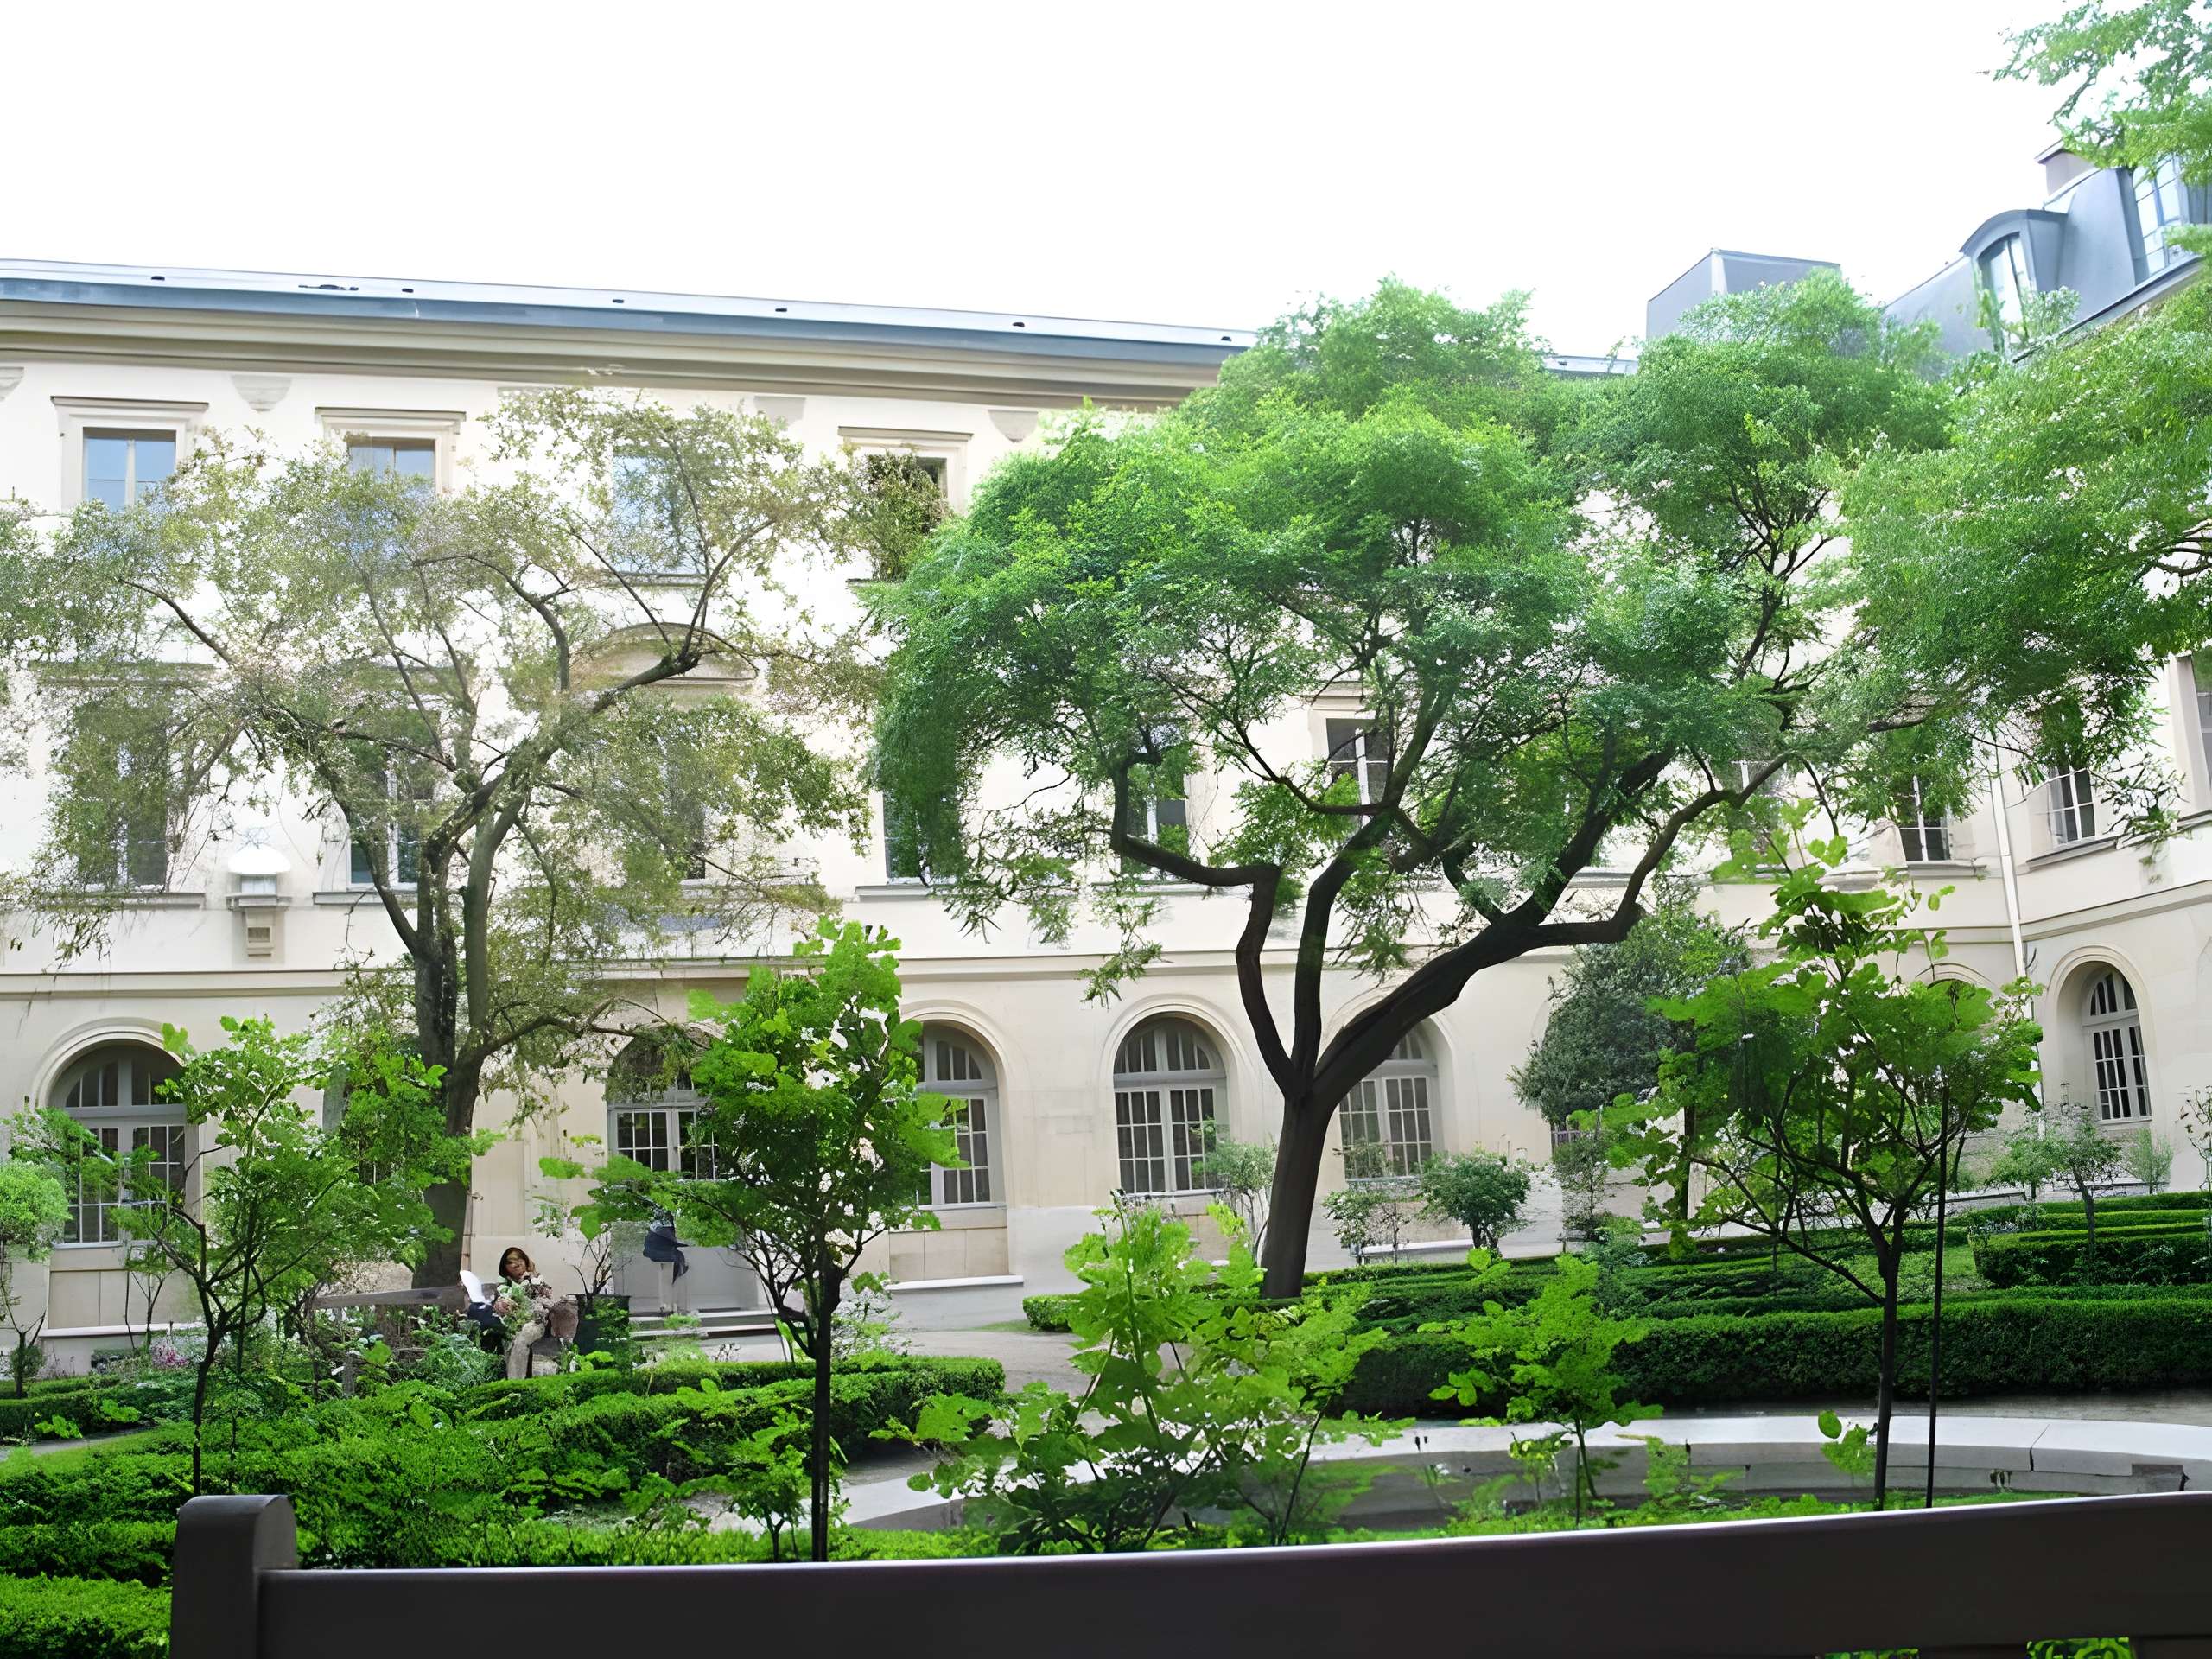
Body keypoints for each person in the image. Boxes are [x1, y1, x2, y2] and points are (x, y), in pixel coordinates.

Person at [488, 1245, 560, 1381]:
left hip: (535, 1322)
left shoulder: (537, 1280)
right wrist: (502, 1306)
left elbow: (547, 1301)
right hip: (512, 1322)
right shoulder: (503, 1285)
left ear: (525, 1262)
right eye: (511, 1264)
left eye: (520, 1262)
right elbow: (497, 1305)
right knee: (508, 1338)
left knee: (522, 1337)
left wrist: (528, 1284)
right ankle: (508, 1378)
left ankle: (516, 1382)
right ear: (506, 1269)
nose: (517, 1267)